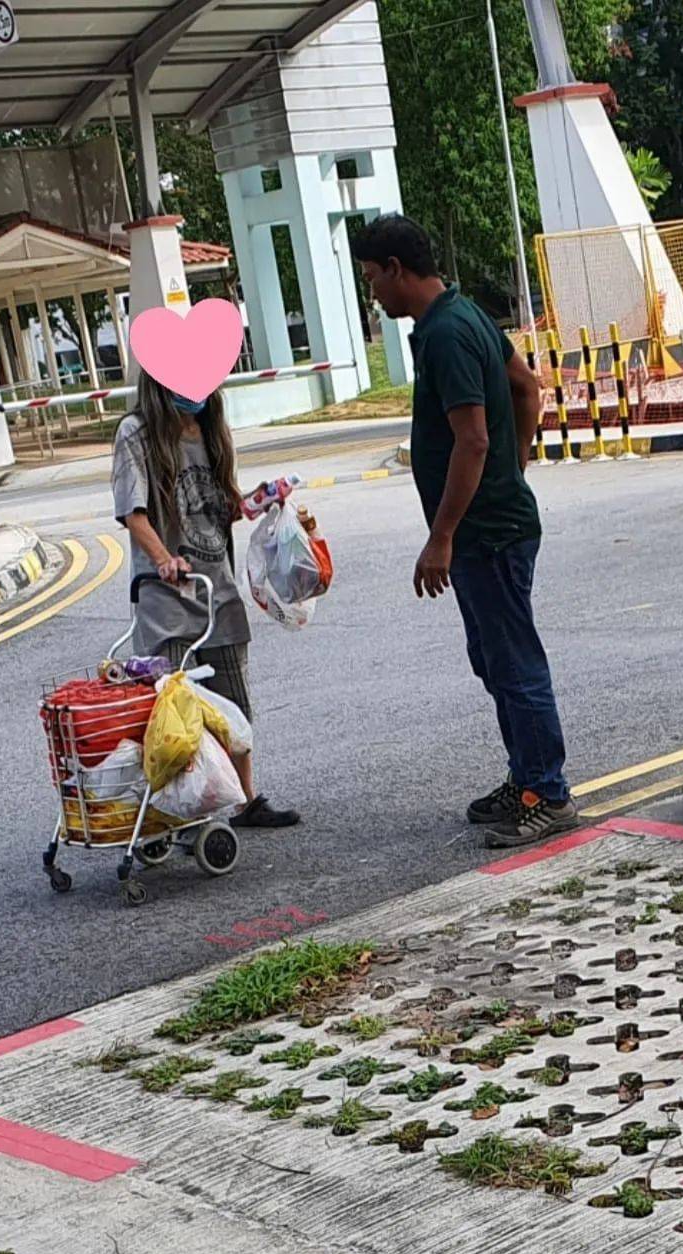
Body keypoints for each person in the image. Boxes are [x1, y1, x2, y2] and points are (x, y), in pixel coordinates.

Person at [352, 214, 577, 849]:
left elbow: (472, 439)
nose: (373, 292)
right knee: (495, 659)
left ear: (397, 269)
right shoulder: (463, 313)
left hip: (486, 534)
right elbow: (526, 388)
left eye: (373, 278)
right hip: (495, 521)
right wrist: (518, 466)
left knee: (513, 662)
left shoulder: (447, 333)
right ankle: (526, 777)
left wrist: (442, 535)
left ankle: (548, 795)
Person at [111, 370, 299, 829]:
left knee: (233, 706)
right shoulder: (136, 432)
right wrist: (163, 560)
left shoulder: (210, 429)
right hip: (167, 598)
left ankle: (244, 802)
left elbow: (222, 507)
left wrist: (263, 501)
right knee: (172, 713)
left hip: (218, 589)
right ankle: (175, 814)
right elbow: (132, 512)